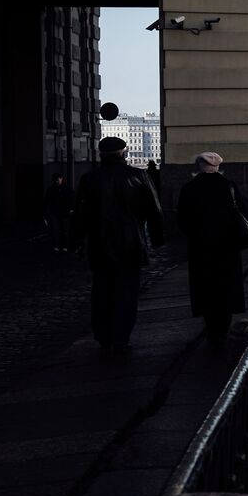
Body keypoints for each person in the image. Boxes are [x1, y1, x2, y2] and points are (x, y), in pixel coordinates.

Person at [70, 136, 165, 352]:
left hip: (99, 244)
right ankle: (121, 337)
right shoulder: (138, 175)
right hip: (130, 244)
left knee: (102, 290)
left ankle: (103, 335)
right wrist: (158, 239)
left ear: (101, 154)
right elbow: (155, 210)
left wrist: (75, 241)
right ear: (125, 152)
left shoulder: (90, 178)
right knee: (127, 292)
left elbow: (80, 214)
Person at [176, 151, 248, 349]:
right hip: (228, 247)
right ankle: (223, 329)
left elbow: (182, 219)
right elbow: (243, 213)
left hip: (201, 248)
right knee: (226, 287)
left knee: (205, 287)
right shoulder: (229, 186)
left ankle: (211, 328)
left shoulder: (190, 188)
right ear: (217, 167)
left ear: (199, 166)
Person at [43, 173, 73, 251]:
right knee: (57, 230)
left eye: (58, 179)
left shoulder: (66, 188)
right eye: (56, 180)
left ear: (61, 178)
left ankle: (64, 246)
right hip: (56, 212)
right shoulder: (51, 189)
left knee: (64, 230)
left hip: (64, 212)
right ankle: (59, 246)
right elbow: (47, 201)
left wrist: (71, 209)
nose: (57, 181)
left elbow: (72, 199)